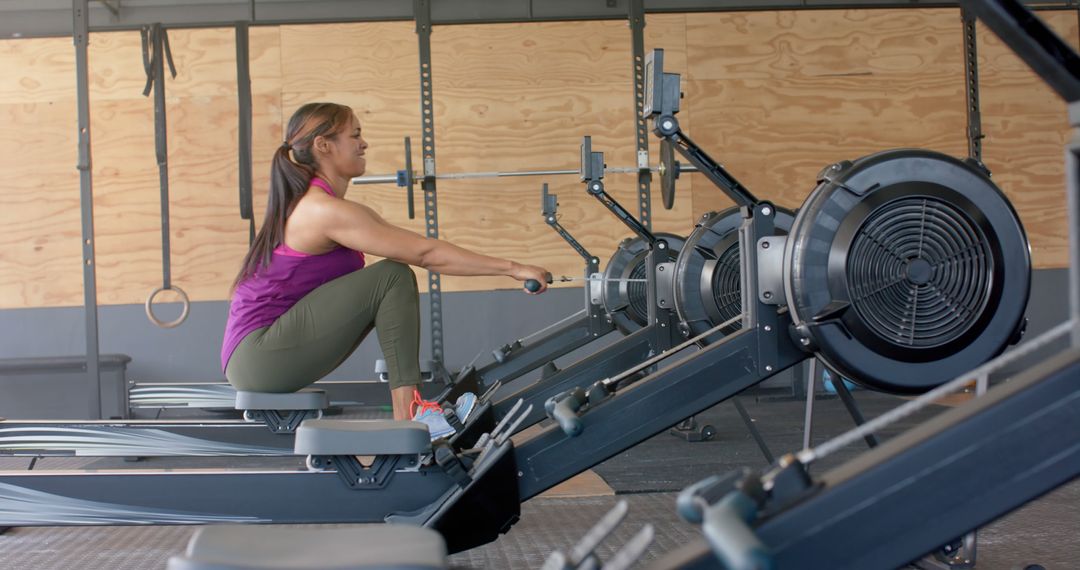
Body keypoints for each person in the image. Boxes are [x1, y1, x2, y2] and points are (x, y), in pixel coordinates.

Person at [221, 102, 550, 440]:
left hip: (261, 355)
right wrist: (513, 268)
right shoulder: (321, 210)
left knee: (389, 278)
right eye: (356, 135)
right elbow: (426, 254)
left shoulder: (330, 208)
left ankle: (412, 413)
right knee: (392, 276)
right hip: (258, 357)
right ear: (324, 145)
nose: (364, 144)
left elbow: (423, 247)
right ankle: (410, 416)